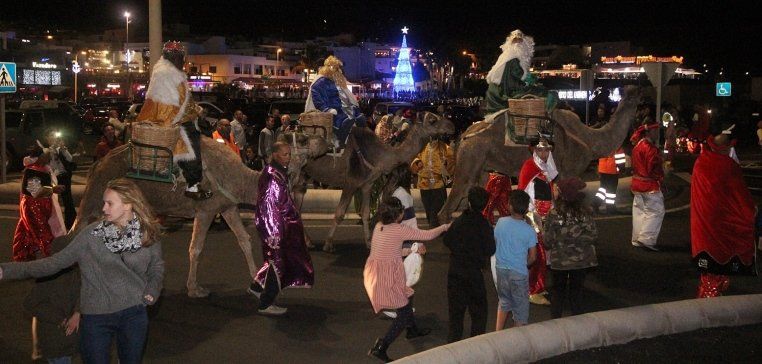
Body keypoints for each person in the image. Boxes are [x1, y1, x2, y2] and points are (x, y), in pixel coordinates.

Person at [0, 178, 165, 364]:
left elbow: (157, 266)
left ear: (128, 205)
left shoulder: (147, 232)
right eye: (104, 203)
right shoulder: (91, 235)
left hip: (134, 313)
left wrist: (153, 289)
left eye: (110, 203)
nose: (104, 208)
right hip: (97, 318)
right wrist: (5, 270)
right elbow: (54, 263)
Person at [364, 197, 450, 362]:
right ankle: (381, 347)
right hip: (387, 277)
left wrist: (411, 250)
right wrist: (445, 226)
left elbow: (392, 250)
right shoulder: (399, 229)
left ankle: (412, 330)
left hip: (376, 272)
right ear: (398, 215)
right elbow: (427, 234)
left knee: (408, 295)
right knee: (403, 314)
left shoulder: (379, 226)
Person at [135, 40, 211, 200]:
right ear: (173, 57)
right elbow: (168, 110)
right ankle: (193, 185)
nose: (183, 61)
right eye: (180, 57)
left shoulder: (171, 73)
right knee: (192, 140)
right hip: (167, 122)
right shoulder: (166, 74)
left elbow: (184, 102)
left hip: (176, 118)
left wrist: (197, 111)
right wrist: (191, 115)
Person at [248, 142, 314, 315]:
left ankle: (257, 287)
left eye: (289, 154)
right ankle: (265, 303)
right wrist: (274, 233)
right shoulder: (273, 177)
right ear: (275, 154)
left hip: (281, 225)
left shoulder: (277, 173)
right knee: (277, 263)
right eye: (285, 154)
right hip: (274, 228)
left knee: (271, 261)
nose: (288, 157)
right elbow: (269, 207)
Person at [691, 130, 756, 298]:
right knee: (721, 255)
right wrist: (751, 212)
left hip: (702, 219)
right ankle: (710, 298)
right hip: (722, 221)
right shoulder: (729, 166)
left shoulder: (701, 161)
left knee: (708, 257)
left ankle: (712, 288)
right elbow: (740, 196)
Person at [443, 187, 495, 343]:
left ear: (469, 202)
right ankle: (475, 347)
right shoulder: (484, 225)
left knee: (456, 315)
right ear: (485, 205)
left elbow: (447, 240)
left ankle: (453, 348)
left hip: (456, 271)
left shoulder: (459, 221)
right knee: (479, 314)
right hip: (474, 274)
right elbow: (491, 248)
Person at [543, 177, 598, 318]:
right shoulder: (586, 212)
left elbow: (547, 241)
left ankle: (556, 325)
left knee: (558, 293)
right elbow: (593, 236)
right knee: (577, 293)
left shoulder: (553, 215)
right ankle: (578, 328)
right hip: (581, 261)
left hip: (560, 262)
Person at [24, 237, 81, 364]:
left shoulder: (75, 274)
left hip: (65, 338)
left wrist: (77, 312)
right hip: (54, 337)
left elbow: (85, 294)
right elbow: (29, 303)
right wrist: (60, 318)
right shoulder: (48, 278)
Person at [517, 138, 557, 305]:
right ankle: (533, 290)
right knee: (537, 255)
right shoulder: (529, 167)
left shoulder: (546, 167)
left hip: (546, 216)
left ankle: (538, 285)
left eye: (547, 150)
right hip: (534, 218)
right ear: (534, 151)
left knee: (543, 255)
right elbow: (525, 194)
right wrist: (534, 219)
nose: (544, 153)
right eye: (540, 150)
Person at [13, 146, 66, 262]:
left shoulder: (41, 168)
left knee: (29, 231)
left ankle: (26, 257)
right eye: (45, 155)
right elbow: (34, 190)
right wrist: (53, 189)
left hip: (37, 206)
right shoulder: (33, 170)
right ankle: (53, 261)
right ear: (40, 157)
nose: (47, 157)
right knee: (43, 233)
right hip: (33, 207)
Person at [484, 29, 556, 114]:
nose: (518, 44)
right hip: (512, 89)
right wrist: (531, 79)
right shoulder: (514, 57)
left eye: (519, 41)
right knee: (544, 92)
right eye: (516, 41)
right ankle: (546, 114)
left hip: (508, 86)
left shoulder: (506, 55)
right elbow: (518, 74)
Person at [493, 190, 537, 330]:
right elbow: (533, 257)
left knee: (504, 302)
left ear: (510, 206)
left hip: (501, 270)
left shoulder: (500, 222)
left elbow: (496, 242)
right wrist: (524, 264)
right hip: (518, 272)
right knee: (521, 309)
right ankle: (518, 340)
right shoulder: (529, 230)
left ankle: (497, 333)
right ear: (526, 208)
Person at [304, 56, 367, 151]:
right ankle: (339, 142)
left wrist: (351, 104)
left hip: (341, 107)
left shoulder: (336, 81)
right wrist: (327, 109)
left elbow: (344, 95)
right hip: (331, 110)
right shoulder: (319, 83)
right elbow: (318, 100)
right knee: (344, 119)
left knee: (358, 116)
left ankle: (361, 139)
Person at [630, 122, 664, 251]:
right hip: (649, 185)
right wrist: (661, 176)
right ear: (649, 132)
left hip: (637, 183)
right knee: (656, 211)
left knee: (639, 211)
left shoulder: (637, 146)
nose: (657, 133)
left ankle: (637, 238)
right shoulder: (650, 148)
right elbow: (653, 169)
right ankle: (646, 238)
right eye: (655, 131)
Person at [410, 137, 455, 227]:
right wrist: (417, 162)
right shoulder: (422, 146)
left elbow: (452, 161)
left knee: (437, 209)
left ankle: (435, 228)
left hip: (438, 184)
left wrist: (446, 165)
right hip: (424, 184)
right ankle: (433, 227)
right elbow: (414, 157)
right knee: (428, 208)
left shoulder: (444, 147)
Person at [39, 129, 77, 229]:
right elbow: (47, 163)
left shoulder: (59, 148)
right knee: (52, 201)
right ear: (47, 137)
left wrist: (63, 148)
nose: (54, 138)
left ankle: (70, 223)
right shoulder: (45, 149)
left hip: (64, 176)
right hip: (52, 178)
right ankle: (51, 223)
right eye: (51, 135)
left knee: (68, 200)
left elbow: (70, 159)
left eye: (55, 136)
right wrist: (52, 149)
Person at [593, 146, 626, 214]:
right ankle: (610, 208)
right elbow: (620, 157)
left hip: (603, 168)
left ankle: (596, 204)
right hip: (612, 169)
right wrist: (622, 169)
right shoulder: (617, 143)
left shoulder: (605, 143)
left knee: (603, 189)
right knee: (611, 191)